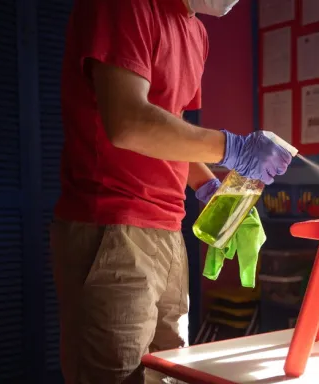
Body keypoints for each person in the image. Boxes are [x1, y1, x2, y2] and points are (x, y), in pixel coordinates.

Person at [48, 0, 291, 382]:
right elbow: (129, 122)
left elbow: (168, 121)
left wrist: (208, 186)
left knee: (169, 374)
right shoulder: (126, 7)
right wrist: (235, 149)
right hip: (114, 224)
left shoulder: (196, 32)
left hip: (168, 228)